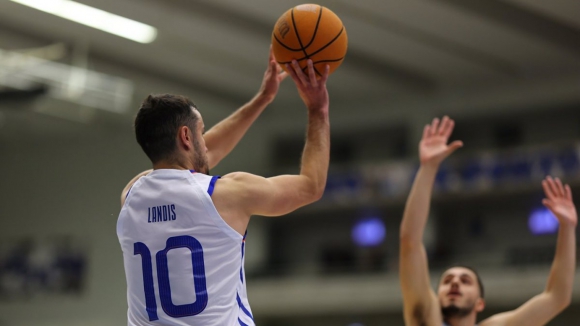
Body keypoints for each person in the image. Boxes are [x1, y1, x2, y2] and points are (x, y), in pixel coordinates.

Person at [117, 49, 331, 326]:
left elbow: (201, 156)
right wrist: (318, 109)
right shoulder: (228, 194)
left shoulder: (131, 195)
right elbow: (311, 186)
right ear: (185, 136)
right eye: (201, 132)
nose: (206, 141)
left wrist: (262, 99)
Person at [399, 116, 577, 326]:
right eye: (447, 281)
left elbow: (557, 298)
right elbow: (410, 242)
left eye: (465, 281)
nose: (455, 282)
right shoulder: (426, 318)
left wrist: (567, 228)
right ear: (437, 297)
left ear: (479, 304)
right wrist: (428, 169)